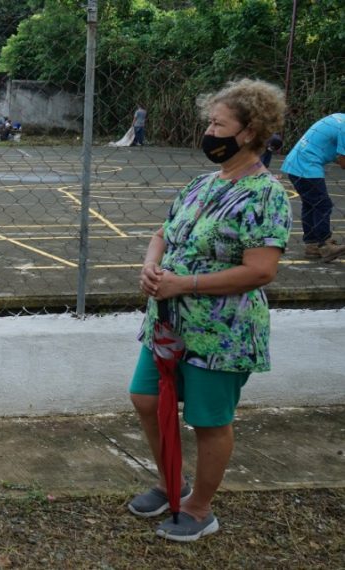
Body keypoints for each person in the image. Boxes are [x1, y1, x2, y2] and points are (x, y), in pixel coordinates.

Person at [129, 79, 290, 542]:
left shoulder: (265, 194)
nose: (209, 132)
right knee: (146, 398)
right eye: (210, 122)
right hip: (168, 320)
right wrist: (151, 265)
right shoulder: (203, 183)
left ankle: (199, 508)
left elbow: (261, 270)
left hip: (223, 330)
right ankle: (170, 484)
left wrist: (187, 283)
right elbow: (163, 232)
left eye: (218, 124)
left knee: (208, 419)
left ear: (249, 131)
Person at [280, 113, 345, 262]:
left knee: (311, 205)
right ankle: (325, 245)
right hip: (307, 166)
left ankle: (312, 245)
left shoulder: (339, 118)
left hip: (295, 164)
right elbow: (343, 162)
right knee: (323, 205)